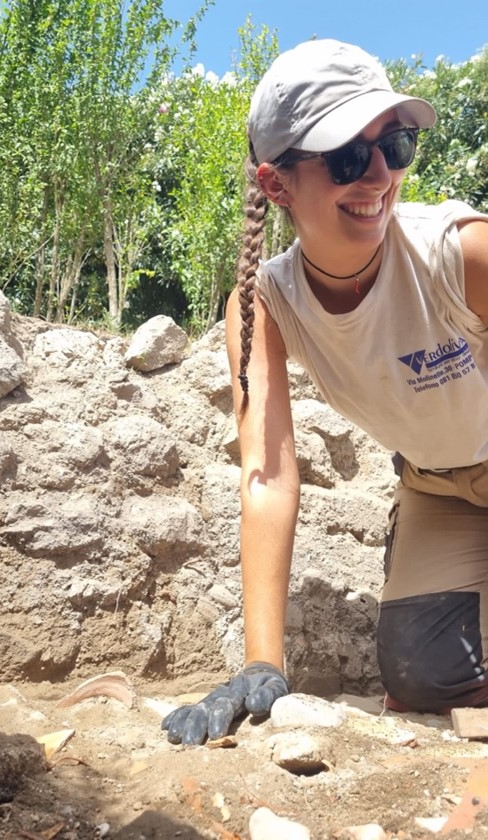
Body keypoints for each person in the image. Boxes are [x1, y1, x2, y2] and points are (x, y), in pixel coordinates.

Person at [162, 38, 488, 746]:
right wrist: (262, 663)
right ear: (276, 184)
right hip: (438, 486)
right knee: (420, 676)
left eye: (394, 146)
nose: (379, 174)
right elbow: (269, 472)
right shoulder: (263, 308)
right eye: (347, 156)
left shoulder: (460, 253)